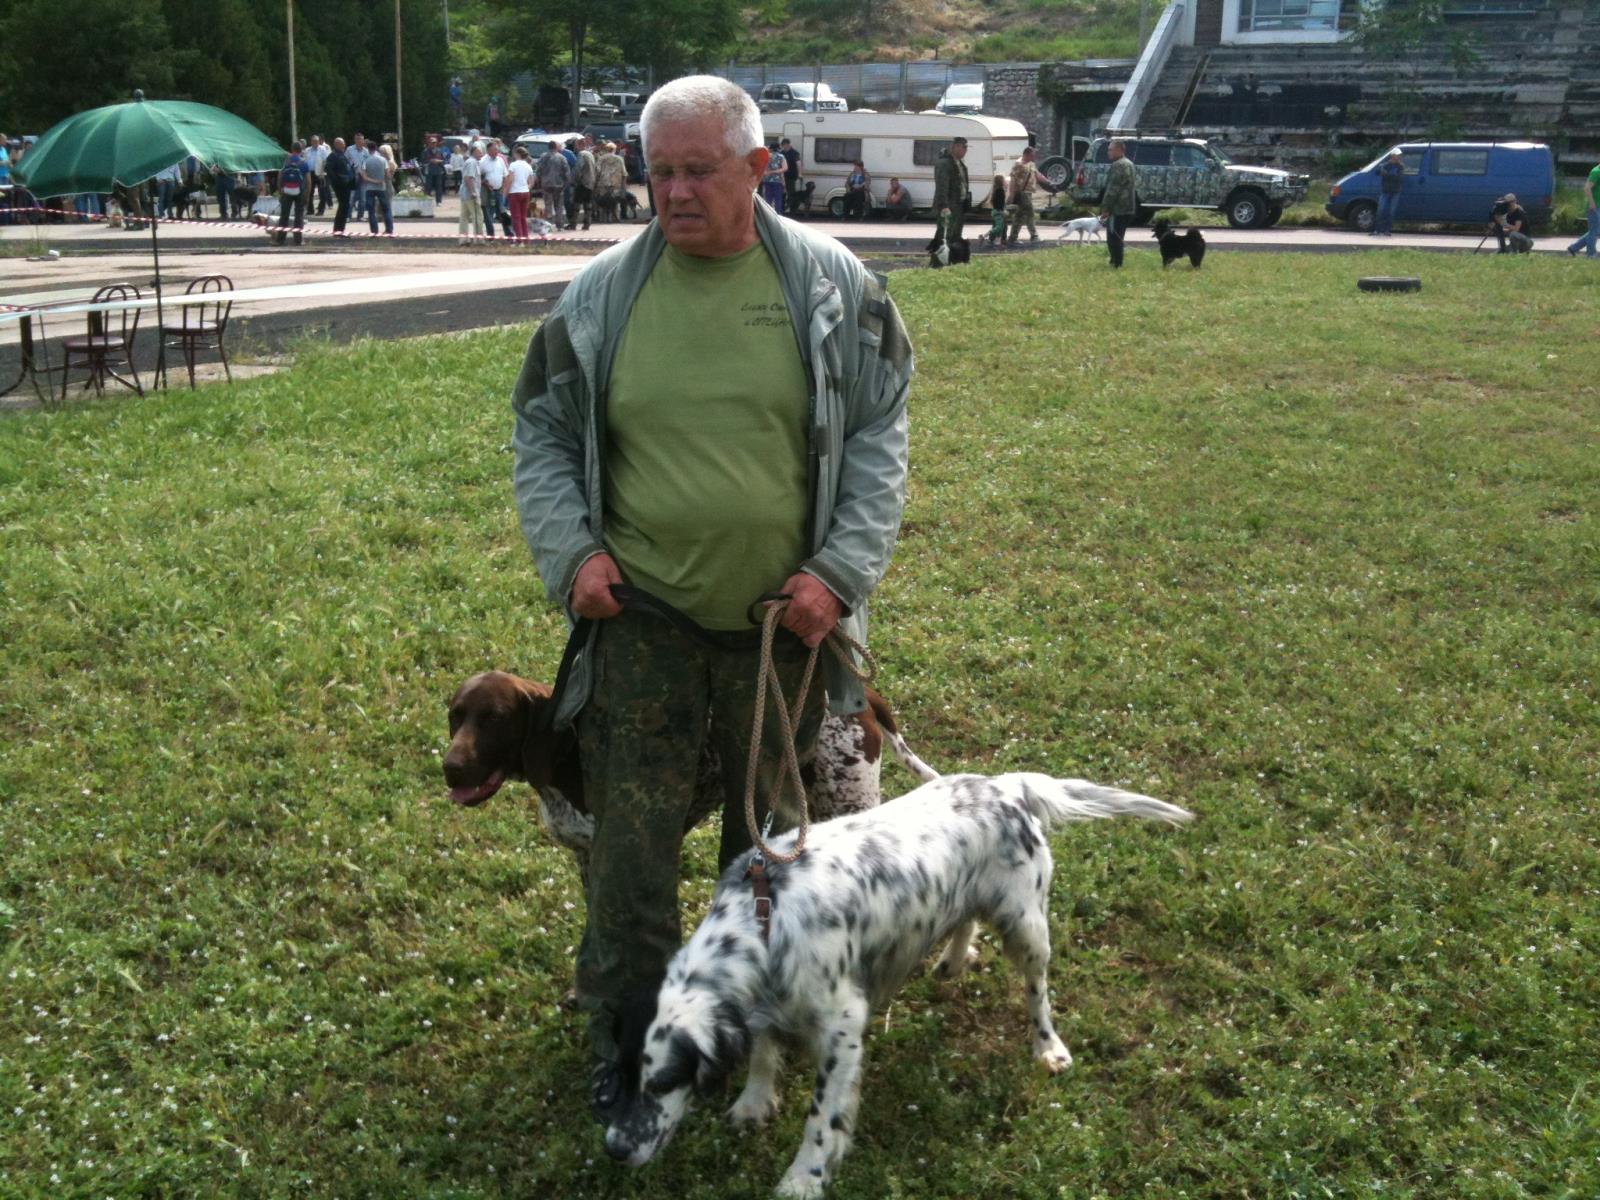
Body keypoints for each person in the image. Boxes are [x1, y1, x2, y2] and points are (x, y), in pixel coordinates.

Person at [510, 74, 912, 1125]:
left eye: (699, 170)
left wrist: (839, 573)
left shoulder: (833, 287)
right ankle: (628, 1044)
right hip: (640, 628)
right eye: (661, 173)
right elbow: (542, 433)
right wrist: (572, 554)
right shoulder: (600, 295)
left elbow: (879, 433)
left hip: (784, 632)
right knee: (628, 859)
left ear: (757, 168)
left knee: (770, 849)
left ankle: (741, 1021)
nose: (676, 192)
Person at [1005, 146, 1058, 246]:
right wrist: (1011, 195)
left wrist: (1049, 183)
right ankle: (1034, 236)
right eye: (1032, 155)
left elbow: (1037, 175)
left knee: (1019, 216)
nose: (1034, 157)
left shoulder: (1031, 164)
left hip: (1028, 193)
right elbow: (1013, 180)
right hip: (1022, 193)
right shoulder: (1018, 165)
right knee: (1030, 213)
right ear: (1027, 154)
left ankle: (1012, 238)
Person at [1100, 138, 1137, 268]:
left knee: (1113, 237)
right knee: (1119, 236)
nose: (1108, 152)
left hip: (1118, 208)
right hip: (1128, 207)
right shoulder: (1129, 163)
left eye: (1111, 150)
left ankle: (1116, 263)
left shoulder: (1118, 165)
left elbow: (1113, 189)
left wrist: (1106, 208)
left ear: (1119, 150)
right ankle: (1116, 261)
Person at [932, 135, 970, 251]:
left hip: (959, 205)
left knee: (955, 235)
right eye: (964, 147)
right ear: (956, 147)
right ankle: (939, 258)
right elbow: (942, 186)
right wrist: (944, 205)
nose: (966, 150)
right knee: (944, 235)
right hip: (949, 205)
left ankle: (952, 257)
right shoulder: (944, 163)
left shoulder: (960, 164)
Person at [536, 139, 571, 229]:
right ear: (556, 147)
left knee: (548, 205)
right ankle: (560, 225)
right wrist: (566, 183)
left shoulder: (543, 157)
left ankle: (549, 225)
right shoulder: (562, 157)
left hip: (546, 184)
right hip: (559, 184)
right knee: (559, 205)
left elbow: (538, 170)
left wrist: (539, 181)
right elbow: (566, 172)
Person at [1566, 159, 1599, 258]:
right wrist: (1592, 203)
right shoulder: (1596, 171)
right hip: (1594, 206)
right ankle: (1591, 254)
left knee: (1595, 230)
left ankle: (1573, 248)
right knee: (1594, 231)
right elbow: (1587, 188)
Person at [361, 142, 394, 236]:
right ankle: (389, 229)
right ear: (376, 148)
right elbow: (388, 175)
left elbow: (364, 177)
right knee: (386, 209)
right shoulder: (383, 160)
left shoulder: (366, 161)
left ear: (368, 149)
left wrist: (373, 181)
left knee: (371, 210)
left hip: (370, 188)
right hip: (381, 188)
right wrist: (381, 180)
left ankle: (374, 230)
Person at [326, 137, 356, 234]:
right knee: (343, 206)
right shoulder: (333, 156)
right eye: (342, 144)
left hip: (346, 184)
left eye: (344, 143)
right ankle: (338, 229)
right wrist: (337, 181)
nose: (344, 145)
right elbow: (329, 170)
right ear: (336, 145)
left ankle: (340, 229)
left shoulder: (342, 155)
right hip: (340, 185)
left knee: (345, 206)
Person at [506, 144, 535, 241]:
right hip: (525, 192)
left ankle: (519, 239)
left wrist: (506, 191)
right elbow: (532, 181)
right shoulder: (528, 166)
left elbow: (510, 179)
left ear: (517, 154)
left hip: (514, 192)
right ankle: (526, 238)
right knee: (523, 217)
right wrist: (527, 188)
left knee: (516, 217)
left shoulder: (513, 165)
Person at [479, 139, 507, 239]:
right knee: (488, 214)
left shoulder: (500, 160)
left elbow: (505, 175)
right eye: (495, 150)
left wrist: (503, 188)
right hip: (487, 192)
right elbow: (478, 177)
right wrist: (485, 184)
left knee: (502, 213)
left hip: (499, 191)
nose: (497, 151)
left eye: (497, 150)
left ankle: (509, 235)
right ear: (488, 150)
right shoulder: (482, 161)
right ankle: (491, 236)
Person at [458, 141, 485, 243]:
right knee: (478, 216)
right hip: (471, 195)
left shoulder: (472, 162)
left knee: (464, 217)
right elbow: (468, 178)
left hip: (465, 194)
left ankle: (463, 240)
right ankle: (478, 239)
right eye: (480, 152)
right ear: (474, 152)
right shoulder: (472, 162)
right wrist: (473, 192)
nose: (482, 154)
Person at [594, 140, 628, 221]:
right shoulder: (619, 159)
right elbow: (624, 173)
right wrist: (624, 185)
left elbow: (597, 171)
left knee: (603, 200)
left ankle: (604, 218)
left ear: (606, 149)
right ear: (614, 149)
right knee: (615, 201)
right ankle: (615, 217)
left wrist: (595, 183)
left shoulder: (601, 159)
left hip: (603, 183)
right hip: (616, 184)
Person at [1373, 150, 1404, 237]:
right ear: (1392, 156)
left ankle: (1387, 230)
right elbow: (1378, 172)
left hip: (1395, 192)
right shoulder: (1385, 165)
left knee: (1391, 211)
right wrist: (1384, 172)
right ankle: (1377, 230)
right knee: (1381, 210)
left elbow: (1399, 178)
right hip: (1385, 191)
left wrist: (1387, 174)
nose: (1398, 157)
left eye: (1399, 155)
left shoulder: (1400, 166)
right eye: (1397, 155)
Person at [573, 135, 597, 231]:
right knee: (588, 204)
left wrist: (575, 180)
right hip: (590, 181)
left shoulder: (581, 154)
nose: (575, 147)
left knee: (577, 203)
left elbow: (579, 168)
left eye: (576, 145)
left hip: (582, 182)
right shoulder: (590, 154)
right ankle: (587, 223)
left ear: (579, 145)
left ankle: (573, 223)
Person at [303, 135, 330, 215]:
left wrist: (322, 172)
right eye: (314, 141)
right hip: (310, 173)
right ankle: (310, 210)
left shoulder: (323, 149)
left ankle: (321, 210)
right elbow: (304, 161)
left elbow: (325, 161)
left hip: (320, 173)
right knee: (309, 192)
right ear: (311, 142)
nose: (315, 143)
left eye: (317, 141)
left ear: (319, 141)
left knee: (322, 192)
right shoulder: (307, 150)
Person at [422, 133, 448, 205]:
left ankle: (438, 201)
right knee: (428, 187)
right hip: (429, 171)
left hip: (438, 171)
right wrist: (430, 161)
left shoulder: (439, 151)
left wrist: (438, 161)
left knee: (438, 187)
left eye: (435, 142)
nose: (433, 144)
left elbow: (444, 160)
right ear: (429, 143)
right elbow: (423, 162)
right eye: (432, 143)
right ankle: (427, 201)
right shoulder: (425, 151)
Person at [761, 143, 787, 213]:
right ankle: (778, 215)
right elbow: (785, 168)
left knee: (768, 200)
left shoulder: (766, 156)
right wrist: (774, 172)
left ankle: (767, 215)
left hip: (767, 180)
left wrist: (768, 173)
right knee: (778, 200)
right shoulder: (781, 156)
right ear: (778, 149)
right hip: (778, 181)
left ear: (770, 149)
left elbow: (762, 168)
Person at [985, 173, 1008, 249]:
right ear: (1001, 181)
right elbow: (999, 203)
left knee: (998, 226)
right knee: (999, 227)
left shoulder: (997, 189)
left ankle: (995, 241)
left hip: (996, 210)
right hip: (998, 212)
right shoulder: (1000, 190)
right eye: (1004, 180)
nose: (1005, 181)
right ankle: (987, 236)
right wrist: (1002, 211)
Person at [779, 137, 801, 213]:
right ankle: (782, 209)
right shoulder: (781, 153)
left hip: (791, 177)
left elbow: (798, 163)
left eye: (784, 145)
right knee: (782, 193)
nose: (783, 146)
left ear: (788, 144)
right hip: (782, 177)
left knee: (791, 194)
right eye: (782, 145)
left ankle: (793, 210)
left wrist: (800, 174)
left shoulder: (795, 153)